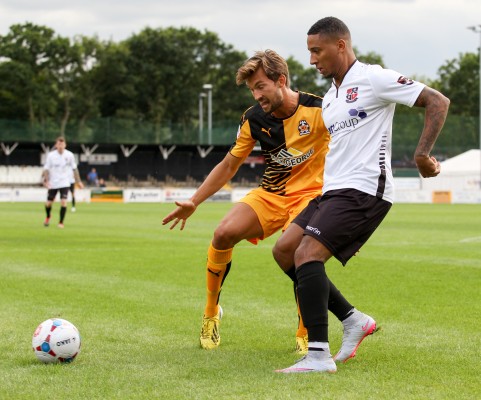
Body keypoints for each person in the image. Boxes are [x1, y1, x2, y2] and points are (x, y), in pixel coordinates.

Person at [275, 17, 449, 374]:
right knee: (284, 251)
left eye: (316, 50)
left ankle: (318, 356)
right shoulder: (330, 99)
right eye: (309, 51)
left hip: (365, 189)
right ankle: (353, 320)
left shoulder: (374, 77)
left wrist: (421, 155)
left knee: (308, 253)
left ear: (341, 45)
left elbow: (437, 101)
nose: (311, 60)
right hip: (332, 190)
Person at [163, 49, 344, 353]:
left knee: (299, 252)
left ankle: (305, 331)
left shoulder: (321, 108)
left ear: (281, 80)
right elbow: (229, 165)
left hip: (310, 197)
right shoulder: (253, 118)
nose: (257, 94)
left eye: (261, 86)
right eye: (252, 89)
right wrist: (195, 201)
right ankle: (211, 314)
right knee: (222, 234)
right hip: (270, 195)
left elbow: (350, 146)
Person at [42, 137, 84, 228]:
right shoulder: (51, 155)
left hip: (65, 182)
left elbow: (74, 169)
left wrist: (79, 181)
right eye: (59, 144)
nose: (61, 146)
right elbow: (46, 169)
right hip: (53, 183)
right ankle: (48, 216)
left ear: (65, 145)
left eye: (62, 144)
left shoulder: (70, 155)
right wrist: (46, 180)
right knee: (48, 203)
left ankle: (61, 222)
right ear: (56, 145)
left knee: (64, 202)